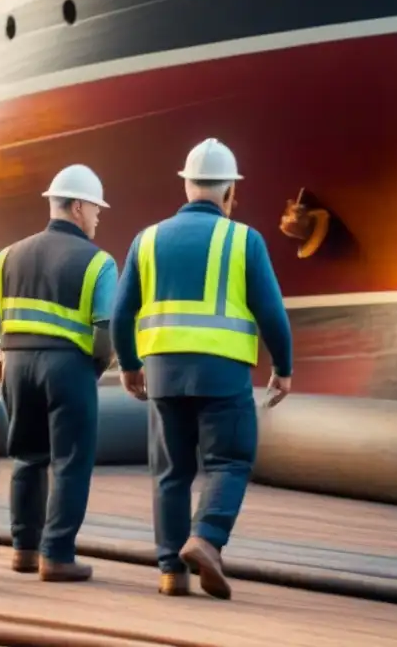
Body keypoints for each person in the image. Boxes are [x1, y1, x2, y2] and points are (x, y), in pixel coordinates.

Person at [111, 138, 294, 600]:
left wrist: (130, 366)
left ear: (188, 185)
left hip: (165, 377)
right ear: (230, 191)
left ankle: (171, 572)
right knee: (229, 461)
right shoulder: (243, 239)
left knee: (171, 472)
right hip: (223, 374)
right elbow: (271, 312)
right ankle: (207, 538)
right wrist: (284, 367)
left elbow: (120, 313)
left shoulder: (146, 239)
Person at [0, 164, 116, 582]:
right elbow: (106, 331)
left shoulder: (7, 256)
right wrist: (93, 368)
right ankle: (57, 555)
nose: (97, 217)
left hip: (16, 364)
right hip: (69, 367)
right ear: (75, 207)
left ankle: (24, 549)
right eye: (94, 208)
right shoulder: (99, 263)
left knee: (27, 458)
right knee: (71, 461)